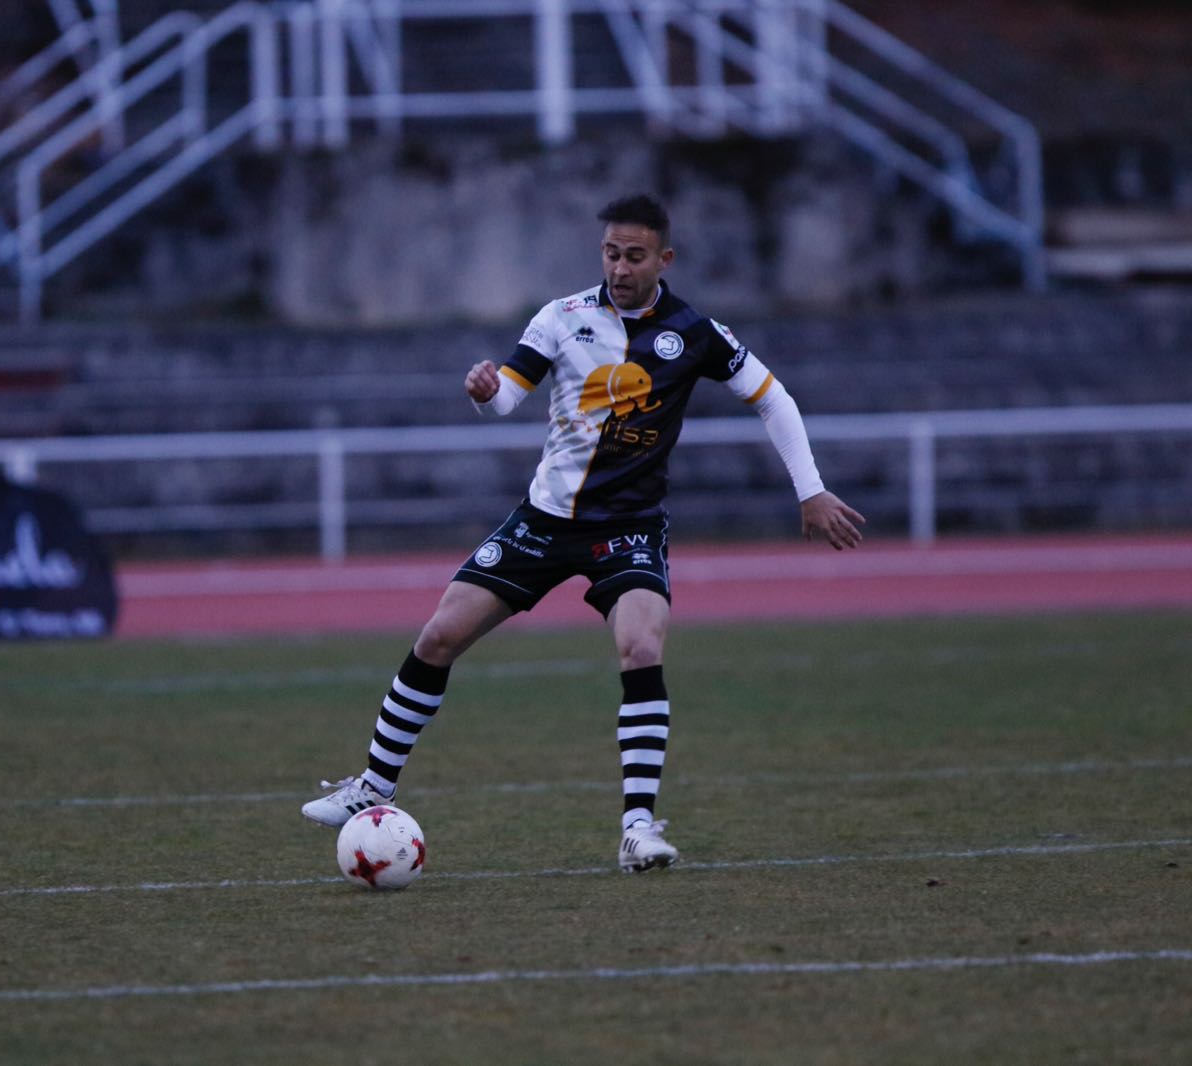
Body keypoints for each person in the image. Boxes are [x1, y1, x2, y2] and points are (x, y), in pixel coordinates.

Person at [302, 194, 865, 872]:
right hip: (544, 521)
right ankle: (373, 787)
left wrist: (811, 490)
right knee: (439, 636)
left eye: (634, 256)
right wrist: (485, 391)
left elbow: (772, 396)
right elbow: (508, 395)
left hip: (628, 528)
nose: (620, 267)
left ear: (664, 258)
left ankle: (637, 828)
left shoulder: (693, 333)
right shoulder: (561, 318)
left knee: (640, 646)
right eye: (610, 253)